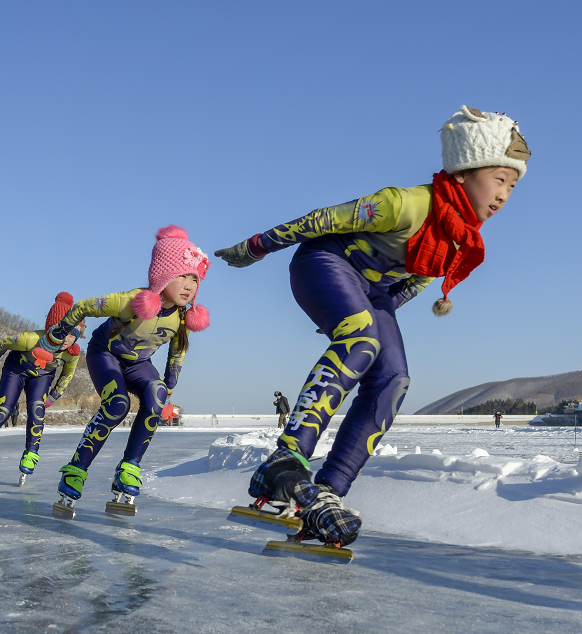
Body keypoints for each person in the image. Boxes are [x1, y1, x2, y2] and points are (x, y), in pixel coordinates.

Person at [215, 106, 529, 547]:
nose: (505, 196)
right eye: (499, 179)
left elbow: (413, 283)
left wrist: (369, 314)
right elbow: (321, 220)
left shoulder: (460, 238)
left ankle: (324, 494)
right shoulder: (406, 204)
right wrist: (256, 246)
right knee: (361, 341)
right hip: (324, 262)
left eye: (514, 186)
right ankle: (284, 461)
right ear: (462, 172)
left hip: (371, 291)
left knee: (393, 378)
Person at [32, 226, 210, 512]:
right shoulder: (131, 302)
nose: (190, 285)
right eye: (183, 276)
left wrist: (169, 387)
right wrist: (59, 332)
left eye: (195, 279)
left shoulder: (180, 318)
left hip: (139, 364)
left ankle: (129, 467)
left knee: (157, 394)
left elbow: (178, 354)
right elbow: (82, 307)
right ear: (163, 275)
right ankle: (76, 470)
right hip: (106, 354)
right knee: (117, 405)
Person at [0, 293, 83, 483]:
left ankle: (31, 452)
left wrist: (54, 395)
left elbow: (67, 375)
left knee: (36, 409)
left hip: (43, 375)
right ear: (51, 328)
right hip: (16, 369)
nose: (66, 338)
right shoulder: (30, 339)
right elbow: (4, 343)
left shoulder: (72, 354)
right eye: (62, 330)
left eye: (72, 334)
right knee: (3, 409)